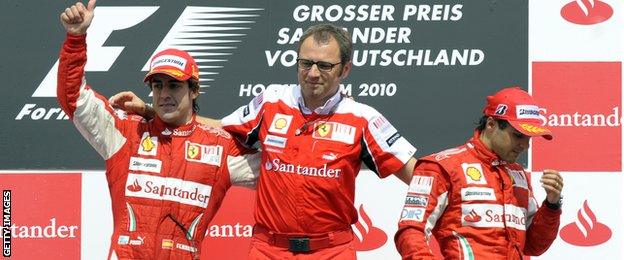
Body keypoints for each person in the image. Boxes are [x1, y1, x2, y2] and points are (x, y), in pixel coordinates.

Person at [111, 24, 417, 259]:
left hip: (331, 250)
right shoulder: (272, 100)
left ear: (344, 69)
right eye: (305, 63)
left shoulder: (362, 117)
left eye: (324, 65)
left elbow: (418, 176)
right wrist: (154, 111)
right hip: (269, 249)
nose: (312, 73)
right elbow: (221, 128)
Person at [58, 1, 259, 259]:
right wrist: (76, 39)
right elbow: (73, 99)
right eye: (158, 85)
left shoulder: (221, 148)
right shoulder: (124, 133)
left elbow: (282, 170)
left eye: (174, 85)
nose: (164, 94)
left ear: (194, 90)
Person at [394, 87, 563, 259]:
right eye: (518, 135)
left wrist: (552, 204)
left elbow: (534, 246)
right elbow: (411, 231)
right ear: (491, 124)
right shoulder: (441, 167)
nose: (525, 146)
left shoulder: (519, 175)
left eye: (529, 138)